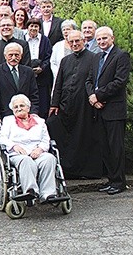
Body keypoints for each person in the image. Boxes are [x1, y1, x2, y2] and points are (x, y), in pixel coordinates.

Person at [48, 30, 101, 178]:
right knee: (55, 127)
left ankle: (84, 171)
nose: (74, 44)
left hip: (84, 106)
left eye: (77, 41)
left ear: (83, 40)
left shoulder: (93, 58)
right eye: (71, 42)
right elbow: (58, 83)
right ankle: (66, 168)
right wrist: (54, 104)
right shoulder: (66, 60)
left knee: (82, 136)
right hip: (65, 105)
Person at [85, 26, 131, 195]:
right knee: (104, 147)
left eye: (105, 38)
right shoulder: (97, 57)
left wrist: (98, 95)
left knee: (115, 147)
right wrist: (92, 96)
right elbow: (89, 80)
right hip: (98, 109)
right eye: (99, 39)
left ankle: (119, 182)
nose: (102, 41)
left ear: (112, 38)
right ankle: (111, 180)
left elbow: (119, 82)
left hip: (114, 109)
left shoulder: (121, 56)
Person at [0, 94, 58, 203]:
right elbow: (1, 137)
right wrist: (14, 146)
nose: (19, 108)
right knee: (26, 161)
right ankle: (30, 191)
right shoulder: (8, 121)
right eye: (16, 107)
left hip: (37, 152)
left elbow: (45, 139)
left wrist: (40, 149)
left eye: (22, 106)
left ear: (28, 108)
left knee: (49, 158)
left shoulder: (39, 121)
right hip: (18, 154)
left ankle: (48, 194)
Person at [0, 43, 40, 128]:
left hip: (26, 118)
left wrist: (33, 113)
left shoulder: (28, 71)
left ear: (21, 55)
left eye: (16, 55)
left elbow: (34, 95)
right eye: (10, 55)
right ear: (5, 56)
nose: (13, 58)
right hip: (5, 117)